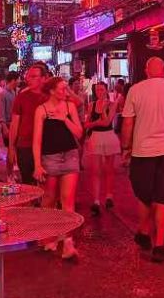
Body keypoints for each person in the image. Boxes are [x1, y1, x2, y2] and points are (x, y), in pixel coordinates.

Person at [121, 57, 164, 263]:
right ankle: (159, 244)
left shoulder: (136, 90)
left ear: (146, 70)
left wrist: (126, 147)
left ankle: (144, 231)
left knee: (144, 195)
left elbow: (127, 124)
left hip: (142, 152)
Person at [32, 77, 83, 259]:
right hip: (50, 158)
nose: (65, 92)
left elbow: (79, 132)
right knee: (49, 199)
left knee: (68, 201)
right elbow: (37, 140)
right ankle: (49, 235)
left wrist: (64, 119)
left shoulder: (69, 107)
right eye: (62, 89)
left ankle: (68, 242)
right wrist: (37, 164)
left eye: (66, 88)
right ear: (52, 91)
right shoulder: (42, 110)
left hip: (70, 155)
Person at [84, 81, 121, 215]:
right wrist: (96, 122)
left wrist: (102, 116)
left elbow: (107, 122)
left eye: (101, 89)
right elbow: (86, 124)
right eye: (97, 90)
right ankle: (96, 200)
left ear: (106, 90)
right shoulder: (91, 105)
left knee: (109, 169)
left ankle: (109, 195)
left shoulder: (112, 104)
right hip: (96, 137)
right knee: (96, 170)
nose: (99, 92)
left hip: (108, 136)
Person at [8, 65, 46, 183]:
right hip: (25, 145)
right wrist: (11, 147)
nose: (29, 79)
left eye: (34, 76)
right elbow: (15, 124)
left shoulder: (50, 96)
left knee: (46, 182)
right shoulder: (22, 97)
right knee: (28, 181)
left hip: (46, 145)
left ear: (44, 78)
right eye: (28, 76)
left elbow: (77, 103)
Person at [0, 71, 19, 149]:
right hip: (7, 125)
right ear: (13, 80)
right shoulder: (2, 94)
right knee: (9, 148)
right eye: (18, 79)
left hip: (14, 124)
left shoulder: (14, 92)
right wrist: (4, 127)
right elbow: (0, 112)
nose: (19, 81)